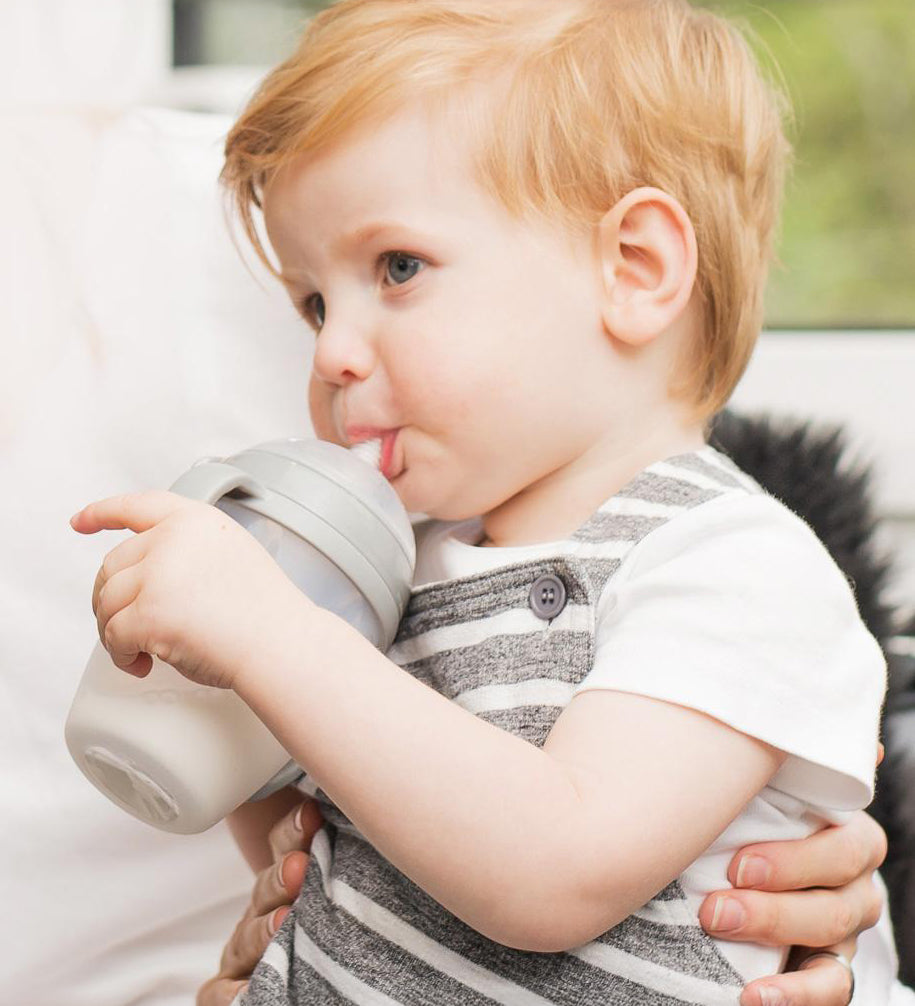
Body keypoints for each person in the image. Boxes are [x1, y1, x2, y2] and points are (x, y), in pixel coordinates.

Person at [68, 0, 905, 1003]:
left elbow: (556, 869)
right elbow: (306, 842)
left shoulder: (733, 566)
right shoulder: (385, 568)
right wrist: (225, 693)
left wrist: (267, 635)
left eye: (398, 267)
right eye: (315, 302)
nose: (332, 350)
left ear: (633, 270)